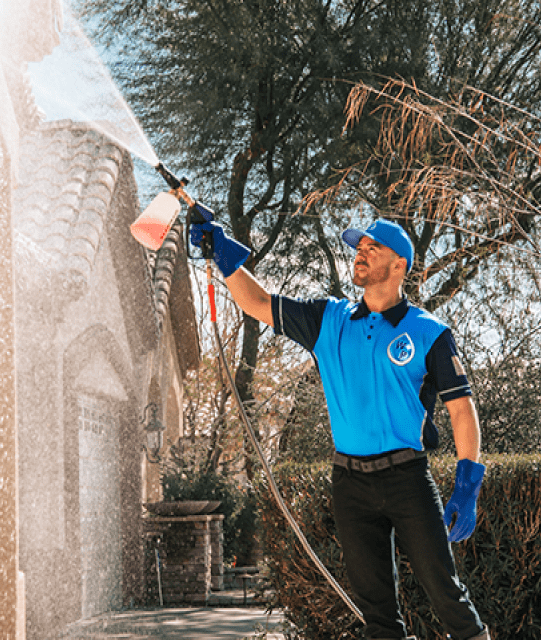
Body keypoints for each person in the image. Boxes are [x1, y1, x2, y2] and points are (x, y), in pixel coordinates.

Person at [190, 215, 490, 640]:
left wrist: (467, 483)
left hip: (407, 478)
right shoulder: (328, 319)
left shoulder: (428, 332)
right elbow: (257, 303)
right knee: (378, 613)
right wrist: (222, 253)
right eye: (359, 247)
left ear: (400, 264)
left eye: (373, 248)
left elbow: (462, 409)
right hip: (349, 483)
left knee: (446, 595)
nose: (361, 253)